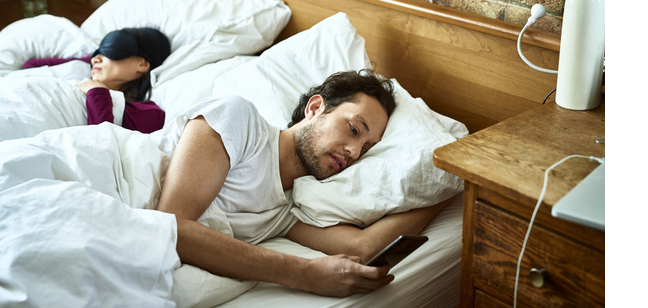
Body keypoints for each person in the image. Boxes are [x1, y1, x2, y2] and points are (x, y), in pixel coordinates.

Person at [155, 69, 455, 297]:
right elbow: (171, 228)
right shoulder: (240, 121)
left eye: (365, 149)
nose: (354, 152)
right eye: (353, 129)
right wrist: (304, 273)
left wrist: (452, 182)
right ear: (314, 108)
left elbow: (363, 248)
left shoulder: (289, 208)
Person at [22, 27, 170, 134]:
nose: (95, 59)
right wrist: (92, 60)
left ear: (142, 64)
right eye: (97, 52)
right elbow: (30, 68)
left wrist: (97, 93)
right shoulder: (79, 70)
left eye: (110, 50)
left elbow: (99, 146)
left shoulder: (146, 114)